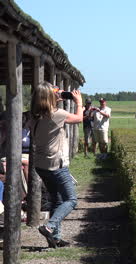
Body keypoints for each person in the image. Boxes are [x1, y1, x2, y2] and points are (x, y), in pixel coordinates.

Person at [31, 81, 83, 248]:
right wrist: (79, 102)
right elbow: (79, 118)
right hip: (55, 165)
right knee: (71, 200)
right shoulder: (57, 114)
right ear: (49, 96)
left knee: (57, 200)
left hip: (41, 165)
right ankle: (49, 226)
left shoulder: (33, 115)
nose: (59, 93)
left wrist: (54, 98)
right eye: (55, 91)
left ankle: (56, 238)